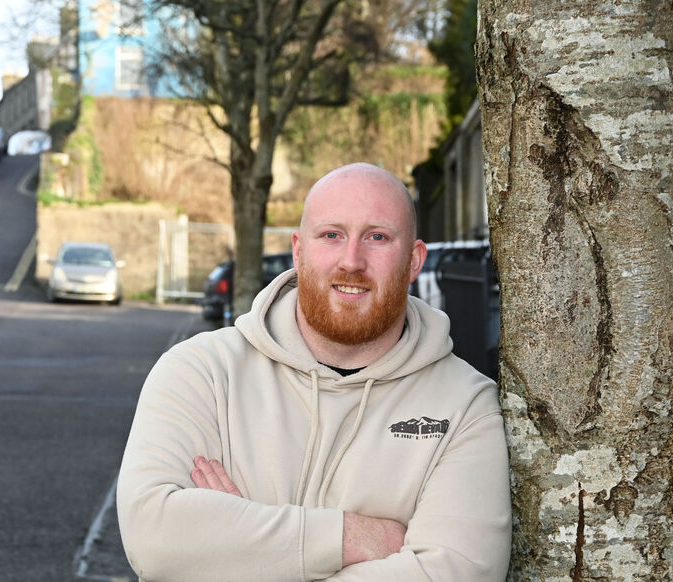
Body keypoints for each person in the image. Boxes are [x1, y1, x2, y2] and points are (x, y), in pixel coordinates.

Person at [116, 163, 511, 581]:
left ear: (414, 260)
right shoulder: (202, 372)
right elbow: (153, 536)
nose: (351, 261)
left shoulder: (465, 406)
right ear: (298, 250)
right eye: (331, 235)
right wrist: (350, 537)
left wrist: (235, 548)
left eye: (377, 237)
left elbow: (456, 573)